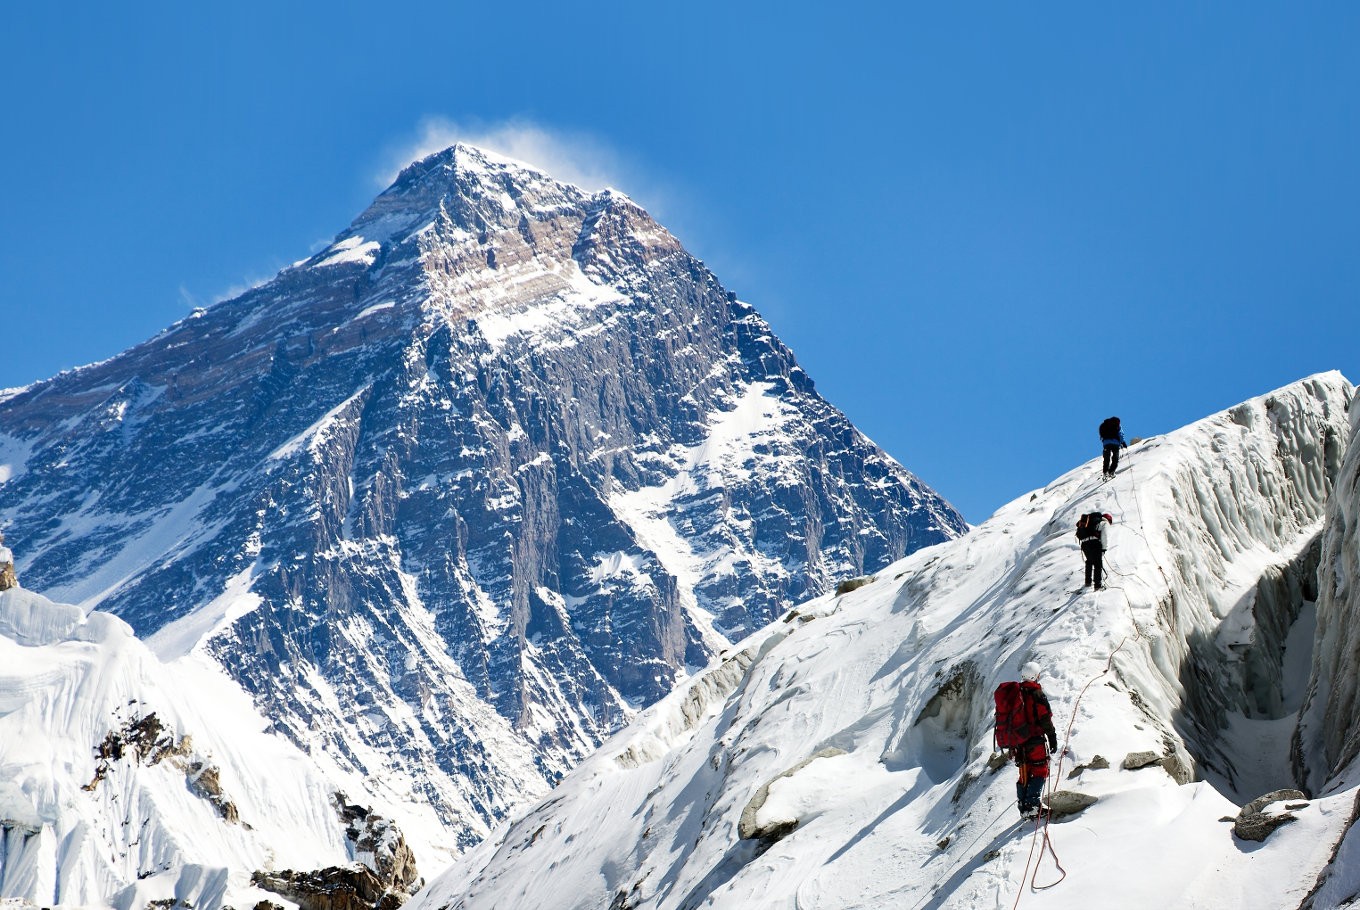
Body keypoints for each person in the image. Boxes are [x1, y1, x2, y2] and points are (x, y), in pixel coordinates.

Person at [1011, 662, 1058, 819]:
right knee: (1039, 770)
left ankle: (1023, 806)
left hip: (1019, 742)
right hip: (1035, 740)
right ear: (1035, 676)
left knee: (1025, 772)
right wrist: (1052, 737)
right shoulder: (1036, 694)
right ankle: (1032, 806)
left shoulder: (1015, 694)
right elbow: (1045, 718)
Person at [1076, 511, 1113, 590]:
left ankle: (1088, 582)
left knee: (1089, 561)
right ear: (1108, 520)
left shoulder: (1091, 522)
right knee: (1097, 564)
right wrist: (1104, 548)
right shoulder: (1104, 523)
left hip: (1084, 544)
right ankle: (1098, 585)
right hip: (1094, 543)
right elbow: (1104, 536)